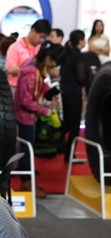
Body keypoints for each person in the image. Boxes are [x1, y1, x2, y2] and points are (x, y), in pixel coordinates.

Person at [15, 42, 66, 198]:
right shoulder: (31, 71)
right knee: (27, 150)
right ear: (48, 57)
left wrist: (48, 92)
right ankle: (26, 183)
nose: (53, 66)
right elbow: (25, 100)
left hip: (31, 116)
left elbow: (40, 85)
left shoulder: (37, 67)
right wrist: (46, 110)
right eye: (53, 63)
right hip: (25, 117)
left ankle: (29, 179)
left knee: (29, 149)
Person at [60, 30, 90, 163]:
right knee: (74, 127)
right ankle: (70, 155)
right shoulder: (78, 57)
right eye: (83, 39)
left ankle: (60, 147)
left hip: (65, 93)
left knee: (67, 123)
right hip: (74, 94)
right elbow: (81, 77)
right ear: (80, 41)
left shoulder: (66, 55)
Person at [5, 19, 51, 95]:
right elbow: (10, 70)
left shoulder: (40, 49)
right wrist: (30, 68)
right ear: (33, 31)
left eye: (44, 38)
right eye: (41, 36)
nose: (42, 40)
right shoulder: (15, 47)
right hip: (17, 88)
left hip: (35, 88)